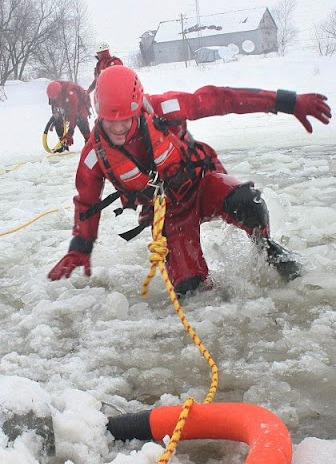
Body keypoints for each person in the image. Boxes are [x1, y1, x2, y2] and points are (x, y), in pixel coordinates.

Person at [48, 65, 331, 296]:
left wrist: (286, 101)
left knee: (248, 203)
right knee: (191, 291)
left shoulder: (164, 108)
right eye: (112, 120)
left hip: (203, 184)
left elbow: (222, 99)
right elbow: (86, 200)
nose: (119, 127)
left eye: (127, 118)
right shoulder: (93, 156)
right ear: (100, 113)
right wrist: (80, 247)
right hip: (170, 214)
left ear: (138, 108)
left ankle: (265, 246)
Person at [46, 80, 91, 150]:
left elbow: (73, 114)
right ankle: (63, 144)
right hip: (66, 103)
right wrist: (55, 118)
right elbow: (54, 106)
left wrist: (70, 132)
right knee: (58, 120)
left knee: (80, 119)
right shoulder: (52, 90)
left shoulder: (71, 93)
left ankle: (89, 143)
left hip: (81, 103)